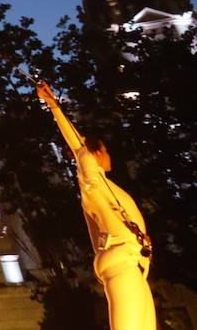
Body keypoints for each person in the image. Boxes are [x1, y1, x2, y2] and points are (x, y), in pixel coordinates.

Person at [37, 81, 155, 330]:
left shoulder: (107, 186)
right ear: (97, 154)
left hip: (134, 264)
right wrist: (55, 107)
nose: (109, 153)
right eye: (106, 149)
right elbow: (79, 146)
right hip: (122, 260)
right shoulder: (92, 181)